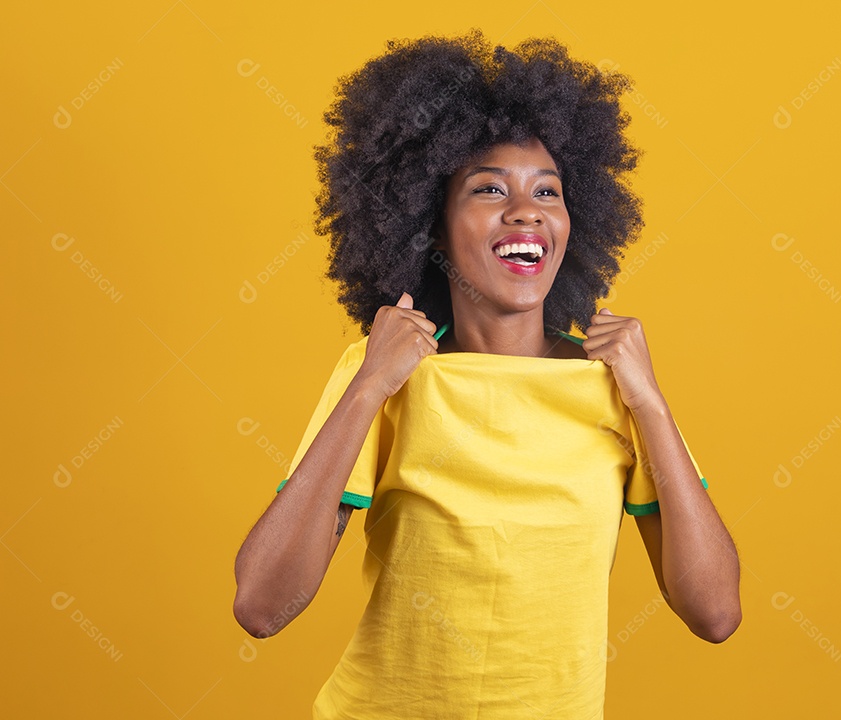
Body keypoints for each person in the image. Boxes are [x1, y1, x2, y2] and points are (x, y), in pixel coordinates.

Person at [233, 28, 741, 719]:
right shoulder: (383, 375)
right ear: (431, 225)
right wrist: (369, 386)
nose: (526, 210)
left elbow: (715, 612)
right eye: (489, 188)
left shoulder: (617, 388)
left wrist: (650, 403)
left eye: (548, 192)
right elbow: (263, 605)